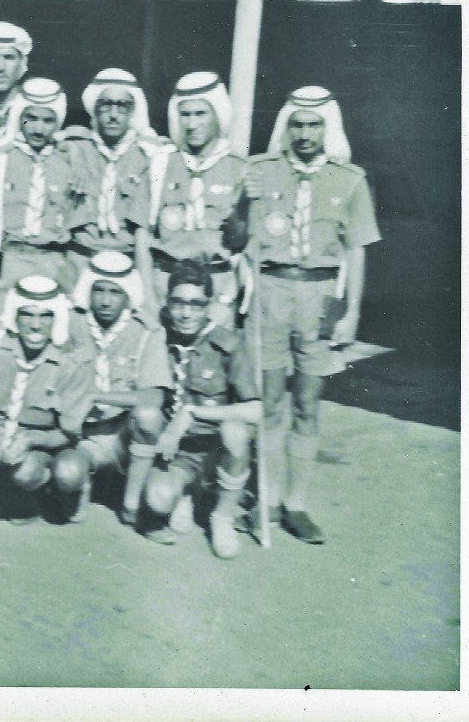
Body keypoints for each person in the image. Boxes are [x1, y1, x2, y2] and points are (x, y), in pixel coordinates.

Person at [242, 86, 380, 544]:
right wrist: (245, 200)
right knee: (269, 402)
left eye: (313, 125)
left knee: (307, 402)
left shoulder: (350, 180)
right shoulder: (262, 171)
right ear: (286, 126)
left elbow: (356, 250)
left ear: (328, 127)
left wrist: (352, 311)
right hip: (271, 293)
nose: (304, 134)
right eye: (297, 124)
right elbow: (239, 238)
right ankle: (267, 499)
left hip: (320, 299)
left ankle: (295, 504)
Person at [134, 260, 262, 559]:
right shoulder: (159, 338)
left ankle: (222, 517)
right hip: (179, 453)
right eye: (178, 303)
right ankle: (189, 493)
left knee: (235, 431)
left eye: (196, 304)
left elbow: (256, 410)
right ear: (168, 304)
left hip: (218, 449)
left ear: (209, 305)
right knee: (158, 500)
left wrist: (191, 412)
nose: (186, 313)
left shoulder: (226, 345)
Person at [55, 251, 170, 523]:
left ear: (128, 295)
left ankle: (131, 503)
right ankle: (82, 484)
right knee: (66, 474)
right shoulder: (69, 322)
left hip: (123, 435)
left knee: (149, 417)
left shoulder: (147, 331)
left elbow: (154, 396)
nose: (105, 301)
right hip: (82, 436)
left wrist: (95, 396)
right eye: (99, 290)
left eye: (115, 292)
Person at [0, 276, 75, 523]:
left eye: (45, 316)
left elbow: (70, 433)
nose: (35, 325)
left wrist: (32, 439)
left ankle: (40, 491)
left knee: (26, 474)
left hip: (33, 444)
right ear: (14, 316)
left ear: (57, 319)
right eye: (27, 315)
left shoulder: (69, 362)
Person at [0, 78, 80, 326]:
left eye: (48, 120)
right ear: (19, 117)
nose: (38, 129)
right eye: (31, 119)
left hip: (52, 262)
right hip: (8, 260)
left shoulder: (69, 164)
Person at [148, 72, 251, 327]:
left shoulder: (239, 168)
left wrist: (226, 299)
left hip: (217, 285)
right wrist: (148, 294)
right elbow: (142, 234)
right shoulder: (162, 164)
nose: (192, 124)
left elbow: (246, 246)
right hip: (167, 285)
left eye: (200, 114)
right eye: (185, 114)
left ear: (218, 115)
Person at [60, 68, 169, 292]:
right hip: (80, 260)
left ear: (133, 111)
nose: (113, 114)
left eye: (122, 106)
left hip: (126, 263)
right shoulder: (78, 147)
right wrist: (70, 147)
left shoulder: (148, 155)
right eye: (105, 105)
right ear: (94, 108)